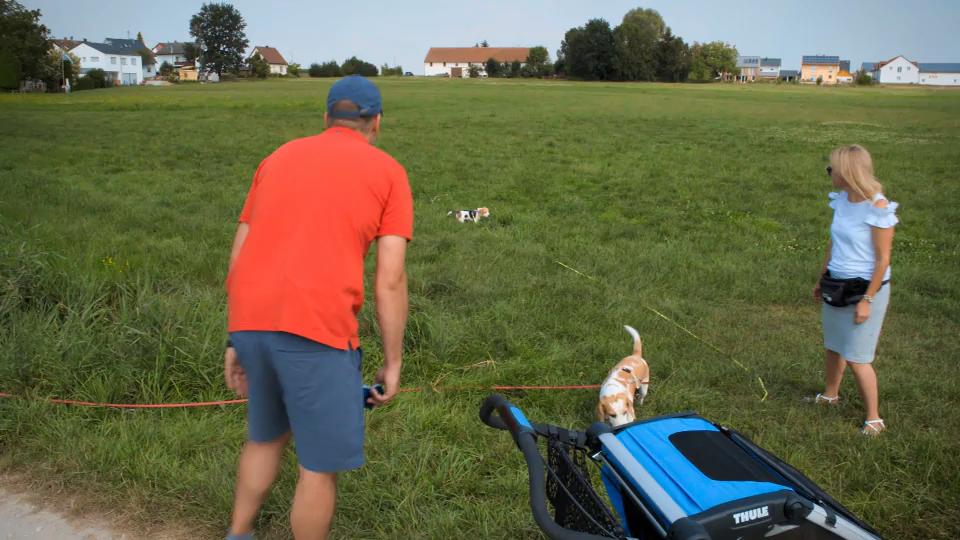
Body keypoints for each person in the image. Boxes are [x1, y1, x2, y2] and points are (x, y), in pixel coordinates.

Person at [223, 75, 413, 539]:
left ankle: (238, 533)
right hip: (317, 330)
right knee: (317, 466)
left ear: (327, 117)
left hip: (251, 321)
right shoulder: (389, 172)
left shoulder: (277, 158)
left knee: (265, 437)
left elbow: (239, 251)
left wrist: (235, 338)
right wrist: (393, 362)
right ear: (376, 122)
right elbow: (390, 279)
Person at [810, 144, 898, 436]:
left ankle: (874, 419)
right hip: (837, 283)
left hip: (865, 289)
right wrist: (822, 278)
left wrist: (867, 300)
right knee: (834, 346)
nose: (829, 173)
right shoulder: (842, 200)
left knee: (858, 358)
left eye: (831, 169)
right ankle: (830, 395)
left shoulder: (878, 207)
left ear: (847, 172)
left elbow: (883, 259)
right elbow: (833, 243)